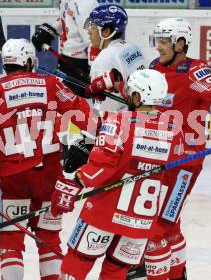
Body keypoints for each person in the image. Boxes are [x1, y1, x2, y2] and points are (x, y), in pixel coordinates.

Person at [127, 18, 211, 280]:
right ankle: (178, 274)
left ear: (181, 43)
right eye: (158, 41)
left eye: (165, 41)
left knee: (156, 226)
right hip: (156, 156)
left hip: (183, 164)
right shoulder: (154, 67)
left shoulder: (196, 72)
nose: (159, 47)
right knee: (168, 225)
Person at [0, 38, 93, 280]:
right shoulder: (50, 84)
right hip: (48, 176)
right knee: (49, 241)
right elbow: (84, 116)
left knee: (11, 243)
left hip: (12, 179)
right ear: (29, 61)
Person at [51, 69, 185, 279]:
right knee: (117, 269)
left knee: (78, 260)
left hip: (104, 212)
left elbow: (104, 165)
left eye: (131, 92)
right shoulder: (174, 130)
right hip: (141, 220)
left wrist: (76, 181)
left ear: (137, 97)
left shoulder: (118, 121)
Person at [32, 0, 98, 97]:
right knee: (60, 100)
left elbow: (93, 41)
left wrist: (94, 72)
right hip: (65, 60)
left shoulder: (87, 5)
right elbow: (64, 19)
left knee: (76, 105)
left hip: (79, 66)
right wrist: (49, 31)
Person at [82, 4, 147, 113]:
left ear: (106, 32)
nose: (89, 31)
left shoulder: (103, 60)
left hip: (120, 124)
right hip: (139, 117)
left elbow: (105, 111)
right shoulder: (133, 48)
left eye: (93, 26)